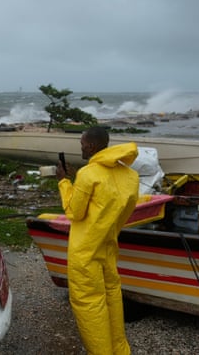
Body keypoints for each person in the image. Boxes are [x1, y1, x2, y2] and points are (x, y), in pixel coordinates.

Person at [56, 126, 139, 355]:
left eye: (82, 143)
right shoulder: (130, 176)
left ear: (91, 145)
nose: (81, 147)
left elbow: (74, 212)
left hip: (85, 252)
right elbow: (121, 210)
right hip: (109, 245)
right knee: (112, 296)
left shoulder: (89, 174)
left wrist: (64, 182)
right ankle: (120, 350)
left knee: (90, 304)